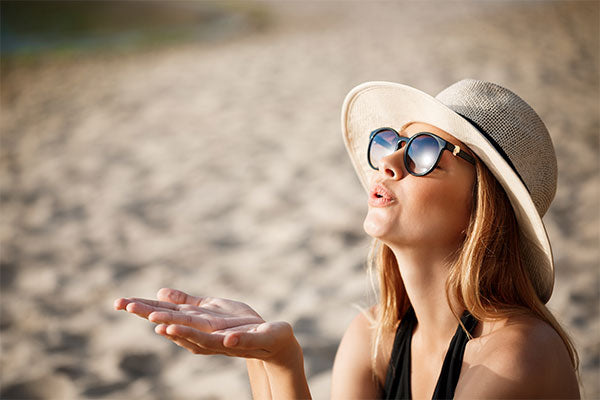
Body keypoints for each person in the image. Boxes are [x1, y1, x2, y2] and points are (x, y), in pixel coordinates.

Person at [115, 79, 580, 399]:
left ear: (481, 209)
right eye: (393, 142)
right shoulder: (374, 336)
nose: (390, 162)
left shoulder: (519, 353)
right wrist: (272, 359)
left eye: (423, 153)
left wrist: (283, 366)